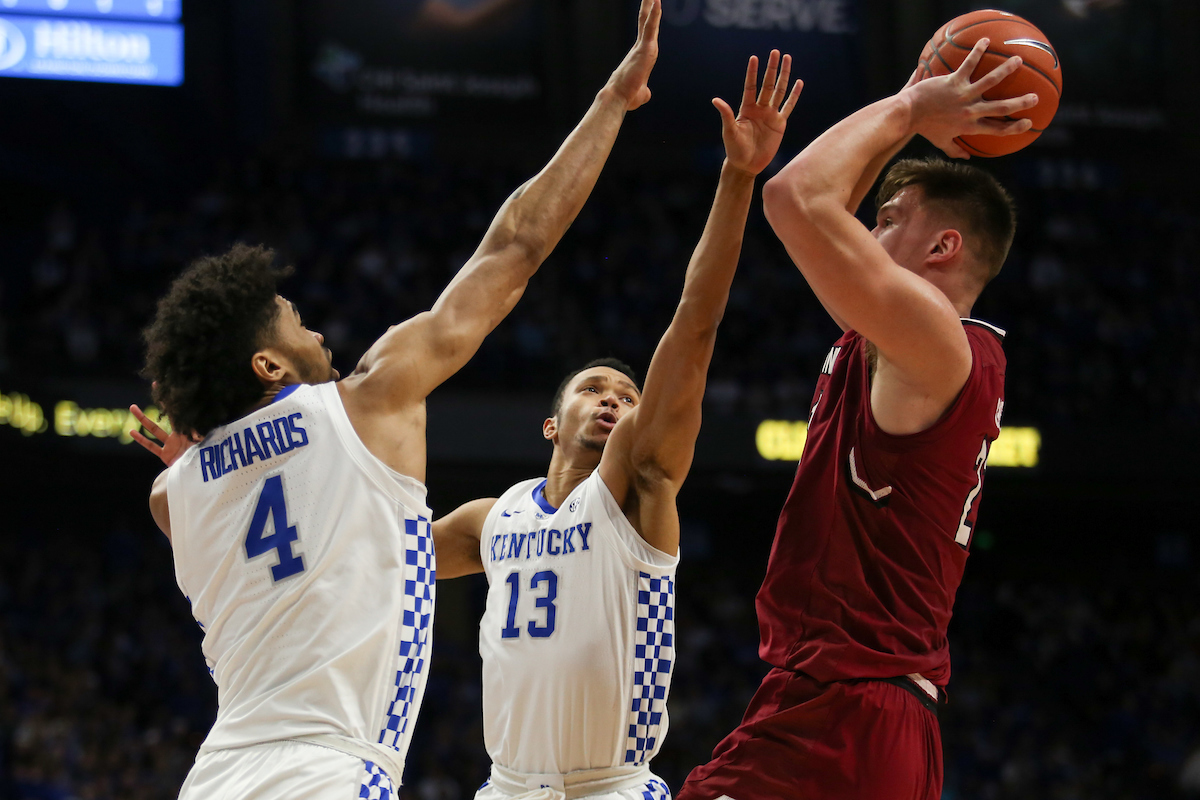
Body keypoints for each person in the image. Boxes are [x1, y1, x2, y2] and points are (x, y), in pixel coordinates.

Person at [129, 2, 662, 797]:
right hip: (328, 773)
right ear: (268, 364)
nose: (316, 332)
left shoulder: (174, 490)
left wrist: (201, 456)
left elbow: (186, 494)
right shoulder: (367, 402)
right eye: (296, 322)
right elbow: (514, 248)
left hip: (216, 774)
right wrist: (609, 104)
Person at [432, 51, 803, 800]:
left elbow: (694, 329)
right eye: (593, 388)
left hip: (611, 787)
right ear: (550, 423)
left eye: (627, 395)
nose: (612, 400)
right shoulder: (488, 520)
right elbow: (370, 559)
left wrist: (737, 179)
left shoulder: (636, 485)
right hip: (504, 789)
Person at [677, 40, 1038, 800]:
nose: (865, 233)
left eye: (887, 221)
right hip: (865, 707)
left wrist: (910, 108)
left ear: (944, 246)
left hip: (848, 709)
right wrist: (907, 111)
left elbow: (797, 200)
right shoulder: (907, 343)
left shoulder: (934, 340)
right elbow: (823, 211)